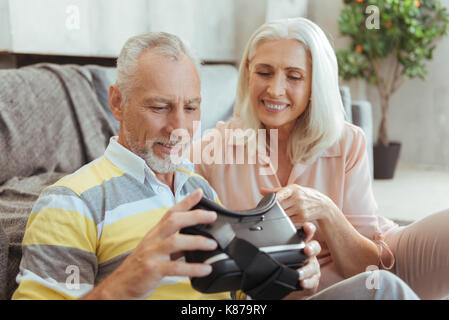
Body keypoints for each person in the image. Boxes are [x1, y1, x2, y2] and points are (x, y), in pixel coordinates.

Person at [12, 31, 418, 301]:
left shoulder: (200, 189)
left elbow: (236, 296)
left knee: (381, 287)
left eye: (191, 108)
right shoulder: (70, 202)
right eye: (159, 107)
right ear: (117, 102)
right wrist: (126, 281)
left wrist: (287, 276)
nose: (178, 128)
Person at [193, 17, 449, 300]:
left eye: (294, 76)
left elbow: (369, 265)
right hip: (305, 290)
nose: (275, 89)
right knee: (385, 289)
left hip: (371, 261)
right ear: (248, 74)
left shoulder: (347, 141)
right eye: (264, 72)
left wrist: (326, 211)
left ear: (316, 85)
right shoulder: (212, 152)